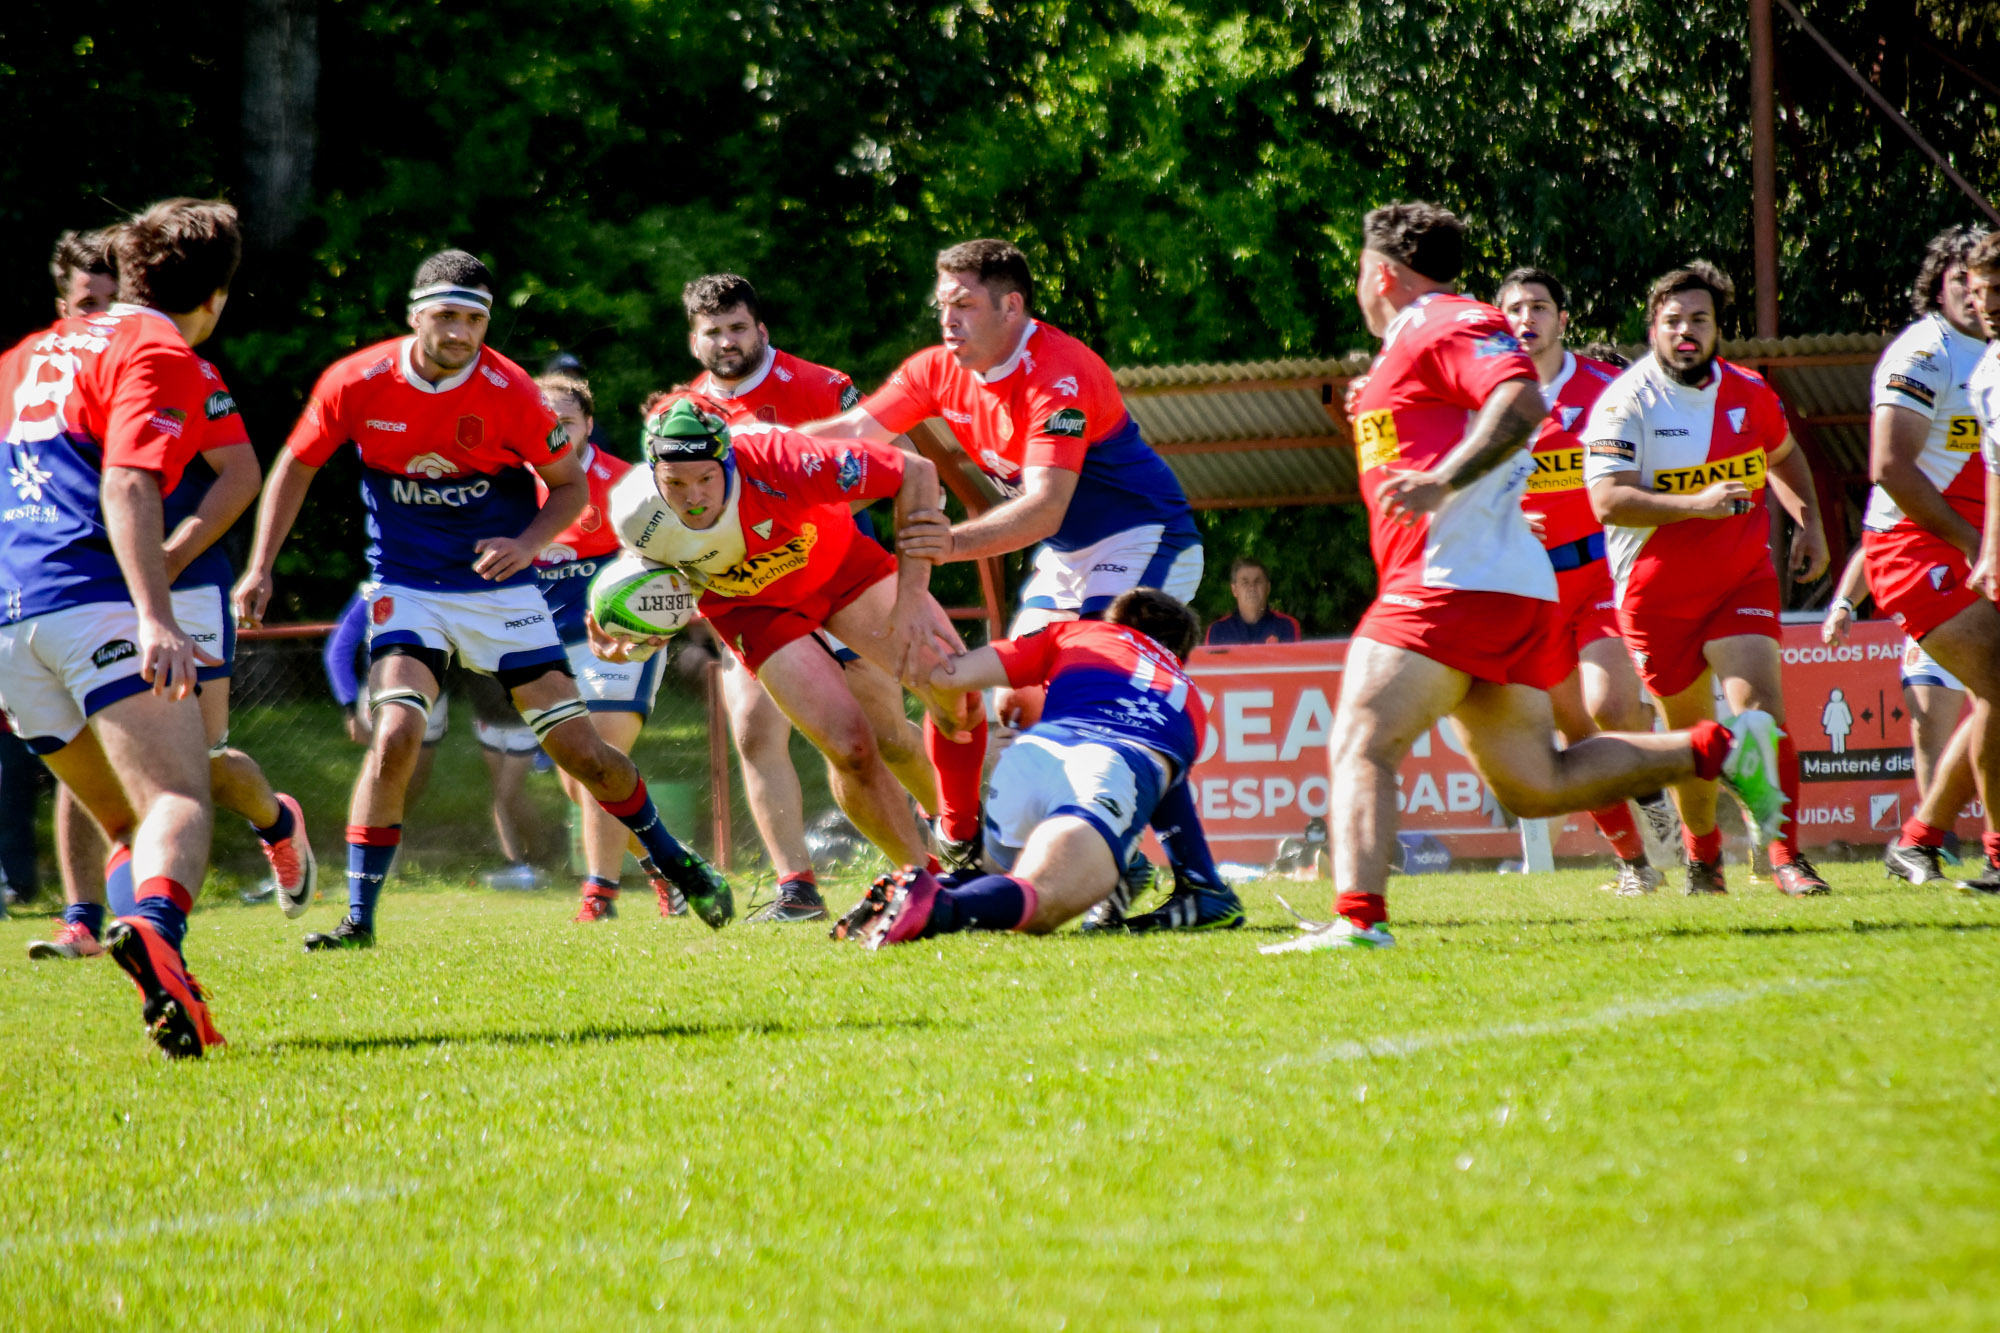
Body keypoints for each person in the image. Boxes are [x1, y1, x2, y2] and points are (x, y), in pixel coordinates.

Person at [1262, 203, 1789, 954]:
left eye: (1355, 274)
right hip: (1500, 580)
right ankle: (1721, 749)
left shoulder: (1444, 319)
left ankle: (1358, 919)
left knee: (1363, 740)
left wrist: (1444, 482)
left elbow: (1520, 398)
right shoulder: (1410, 345)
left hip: (1449, 579)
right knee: (1533, 781)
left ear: (1380, 273)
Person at [233, 249, 732, 949]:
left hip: (500, 595)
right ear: (415, 316)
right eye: (446, 316)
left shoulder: (513, 391)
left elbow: (570, 487)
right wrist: (260, 566)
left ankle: (676, 860)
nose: (461, 332)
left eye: (474, 319)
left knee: (584, 752)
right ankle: (358, 919)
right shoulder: (358, 380)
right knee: (396, 731)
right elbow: (296, 464)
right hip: (406, 586)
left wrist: (528, 543)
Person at [805, 238, 1226, 928]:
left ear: (1012, 305)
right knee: (1003, 702)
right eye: (943, 304)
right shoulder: (937, 368)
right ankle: (977, 842)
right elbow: (855, 430)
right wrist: (752, 452)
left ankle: (1201, 884)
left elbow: (1043, 507)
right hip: (1068, 555)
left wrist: (946, 543)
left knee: (1101, 700)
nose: (949, 319)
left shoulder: (1060, 372)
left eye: (965, 304)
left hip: (1141, 539)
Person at [0, 197, 248, 1054]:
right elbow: (130, 483)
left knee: (126, 824)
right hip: (95, 600)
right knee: (178, 797)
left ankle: (158, 963)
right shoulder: (160, 349)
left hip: (13, 624)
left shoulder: (29, 350)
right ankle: (155, 933)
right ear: (213, 298)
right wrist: (155, 615)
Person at [31, 226, 317, 958]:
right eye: (81, 303)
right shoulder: (48, 375)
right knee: (96, 748)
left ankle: (276, 820)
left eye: (107, 299)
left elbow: (241, 474)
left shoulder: (179, 366)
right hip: (82, 591)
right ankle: (87, 919)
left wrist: (170, 556)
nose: (93, 314)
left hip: (178, 588)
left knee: (204, 759)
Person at [594, 393, 981, 875]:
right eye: (675, 483)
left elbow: (916, 472)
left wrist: (911, 600)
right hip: (752, 609)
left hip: (844, 569)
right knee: (851, 748)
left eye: (705, 479)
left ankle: (963, 832)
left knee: (955, 691)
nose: (693, 497)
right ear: (653, 473)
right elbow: (652, 581)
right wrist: (628, 626)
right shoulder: (635, 512)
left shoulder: (783, 457)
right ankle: (922, 880)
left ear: (728, 458)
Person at [678, 274, 935, 923]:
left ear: (761, 329)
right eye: (713, 331)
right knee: (752, 727)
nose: (727, 341)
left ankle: (957, 837)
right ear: (694, 339)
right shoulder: (681, 415)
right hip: (752, 597)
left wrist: (804, 512)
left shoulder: (820, 385)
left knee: (885, 737)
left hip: (836, 573)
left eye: (738, 328)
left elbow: (896, 462)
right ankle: (798, 887)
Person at [1581, 260, 1831, 897]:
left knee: (1761, 716)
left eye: (1699, 319)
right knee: (1694, 740)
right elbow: (1607, 500)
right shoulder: (1625, 401)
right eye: (1673, 321)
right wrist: (1696, 503)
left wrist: (1810, 524)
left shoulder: (1749, 391)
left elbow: (1785, 454)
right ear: (1653, 328)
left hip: (1740, 581)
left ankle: (1785, 858)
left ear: (1719, 327)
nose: (1686, 331)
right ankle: (1703, 855)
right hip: (1654, 595)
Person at [843, 589, 1231, 943]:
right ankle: (939, 906)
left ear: (1114, 621)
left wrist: (955, 811)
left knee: (997, 877)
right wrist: (1202, 884)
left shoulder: (1076, 633)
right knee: (1039, 897)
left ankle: (930, 884)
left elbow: (949, 676)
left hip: (1031, 755)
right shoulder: (1186, 694)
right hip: (1109, 763)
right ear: (1177, 652)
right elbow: (1164, 793)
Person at [1495, 266, 1679, 896]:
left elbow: (1662, 453)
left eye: (1540, 306)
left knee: (1611, 706)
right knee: (1574, 732)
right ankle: (1635, 865)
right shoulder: (1485, 401)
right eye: (1515, 308)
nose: (1527, 318)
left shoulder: (1607, 388)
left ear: (1562, 319)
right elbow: (1460, 487)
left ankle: (1653, 792)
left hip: (1601, 568)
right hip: (1532, 587)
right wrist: (1506, 513)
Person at [1847, 227, 2000, 890]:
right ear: (1939, 284)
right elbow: (1888, 465)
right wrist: (1975, 544)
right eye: (1962, 279)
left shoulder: (1993, 359)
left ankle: (1918, 839)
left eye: (1988, 281)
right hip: (1914, 546)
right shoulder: (1923, 352)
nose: (1976, 293)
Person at [529, 371, 667, 920]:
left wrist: (651, 620)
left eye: (566, 420)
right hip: (540, 647)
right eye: (545, 421)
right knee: (580, 780)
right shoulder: (510, 483)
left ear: (588, 423)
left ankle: (599, 896)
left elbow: (664, 562)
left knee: (601, 759)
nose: (556, 430)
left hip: (615, 642)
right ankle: (667, 865)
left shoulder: (627, 485)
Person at [1203, 557, 1301, 645]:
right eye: (1245, 582)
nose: (1252, 587)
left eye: (1257, 581)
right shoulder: (1217, 631)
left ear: (1268, 588)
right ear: (1234, 590)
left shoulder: (1287, 626)